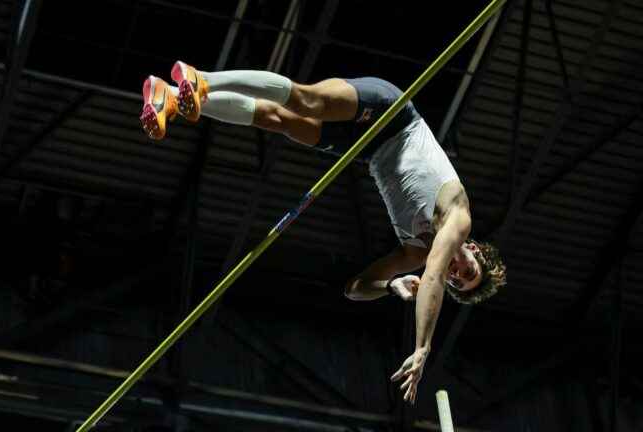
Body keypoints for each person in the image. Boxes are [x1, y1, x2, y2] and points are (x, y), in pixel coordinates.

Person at [140, 61, 507, 404]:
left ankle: (170, 99)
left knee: (278, 118)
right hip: (391, 114)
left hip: (366, 147)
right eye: (467, 270)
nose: (456, 273)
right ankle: (201, 78)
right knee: (307, 99)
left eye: (460, 282)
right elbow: (435, 278)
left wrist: (389, 287)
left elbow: (354, 289)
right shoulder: (459, 219)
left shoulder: (414, 255)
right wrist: (423, 346)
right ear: (473, 249)